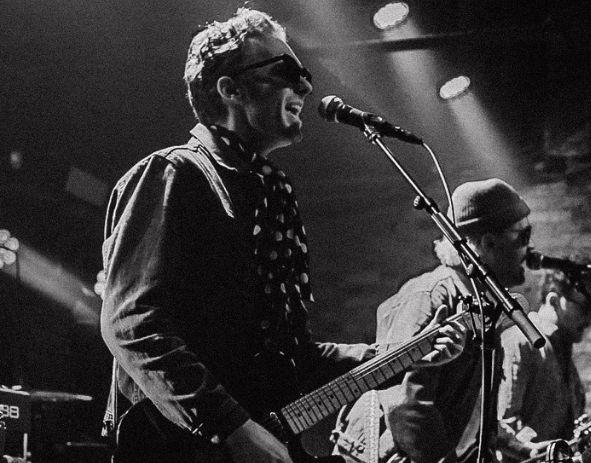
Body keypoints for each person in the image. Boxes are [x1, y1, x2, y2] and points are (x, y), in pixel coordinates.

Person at [98, 8, 464, 463]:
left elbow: (293, 357)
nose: (305, 87)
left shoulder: (271, 190)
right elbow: (132, 323)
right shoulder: (174, 174)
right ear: (229, 89)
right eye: (285, 72)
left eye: (304, 74)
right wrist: (232, 428)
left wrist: (401, 355)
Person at [332, 178, 532, 463]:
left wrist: (523, 450)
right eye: (523, 236)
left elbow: (473, 412)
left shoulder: (482, 307)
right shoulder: (429, 296)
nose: (530, 248)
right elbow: (405, 405)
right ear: (488, 243)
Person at [496, 264, 591, 461]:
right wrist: (531, 449)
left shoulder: (562, 350)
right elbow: (505, 422)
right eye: (585, 308)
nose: (590, 320)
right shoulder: (521, 341)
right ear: (554, 300)